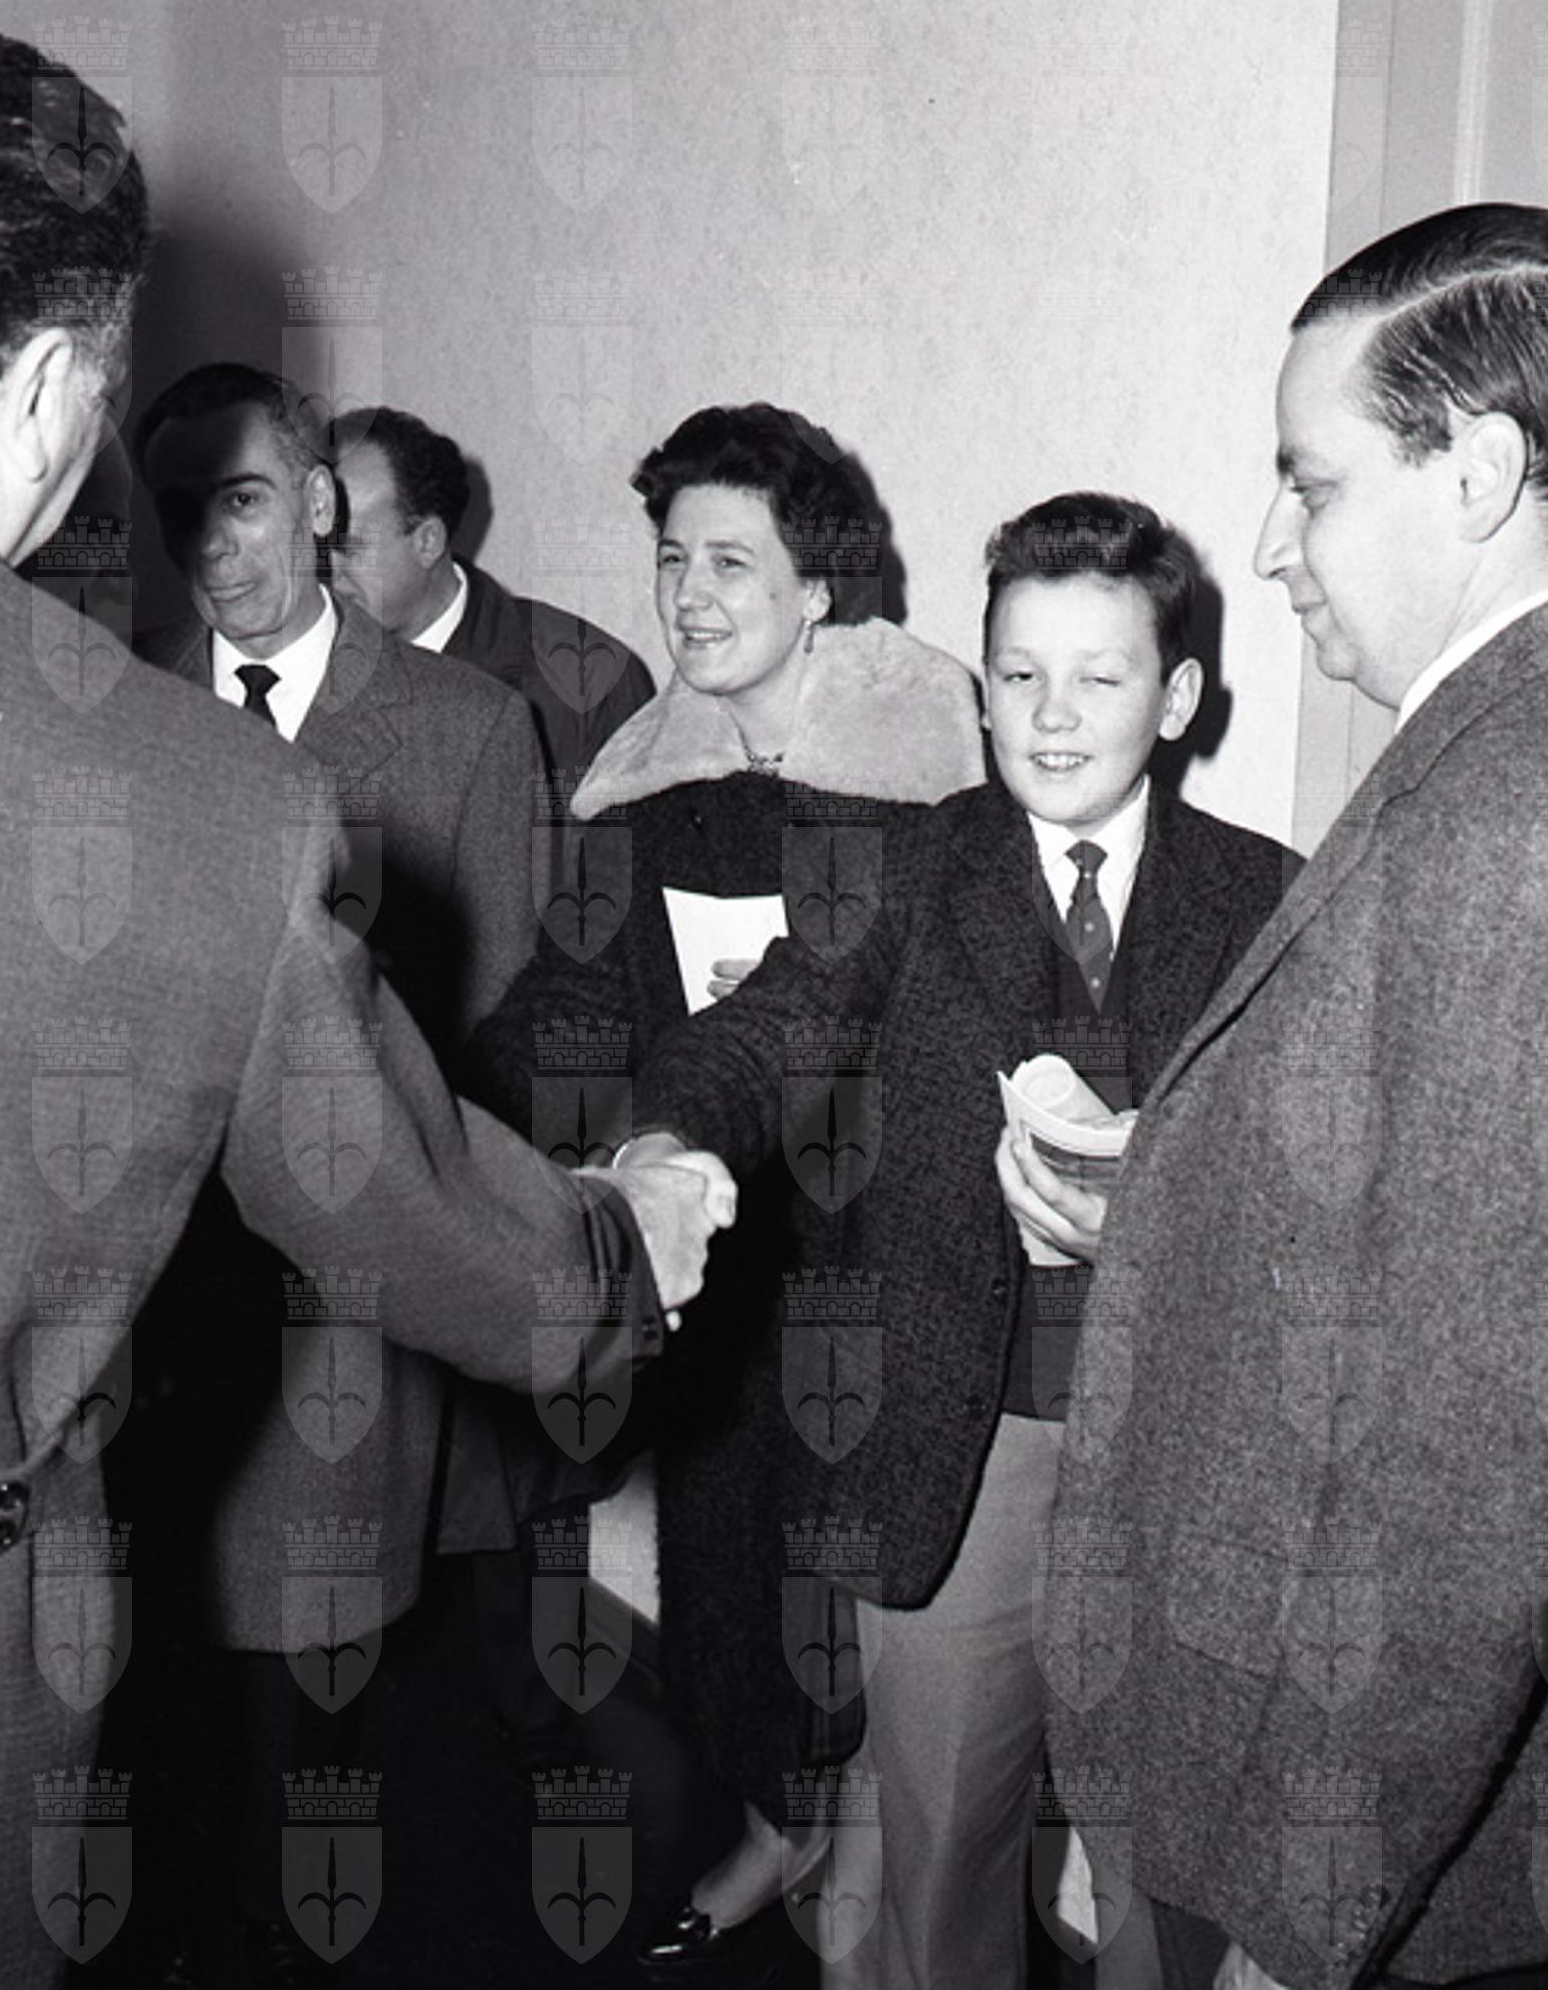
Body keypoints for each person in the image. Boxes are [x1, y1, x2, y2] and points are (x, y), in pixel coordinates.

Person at [0, 20, 729, 1987]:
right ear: (43, 390)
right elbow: (424, 1217)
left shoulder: (412, 729)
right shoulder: (176, 792)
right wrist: (629, 1239)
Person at [1027, 204, 1548, 1990]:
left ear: (1474, 473)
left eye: (1309, 484)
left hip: (1388, 1845)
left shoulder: (1536, 831)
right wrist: (1177, 1188)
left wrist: (1295, 1909)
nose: (1268, 545)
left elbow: (1474, 1472)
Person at [597, 486, 1299, 1988]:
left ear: (1178, 697)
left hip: (1181, 1458)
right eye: (1019, 673)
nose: (1052, 714)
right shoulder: (907, 874)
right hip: (956, 1460)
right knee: (938, 1864)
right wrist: (666, 1140)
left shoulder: (1269, 897)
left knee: (1166, 1878)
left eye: (1099, 676)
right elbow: (769, 1027)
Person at [462, 402, 985, 1975]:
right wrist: (434, 1109)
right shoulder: (647, 789)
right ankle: (775, 1823)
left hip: (895, 1259)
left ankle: (875, 1859)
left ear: (818, 586)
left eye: (731, 562)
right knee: (732, 1579)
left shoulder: (936, 786)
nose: (689, 594)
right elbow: (569, 1005)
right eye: (672, 558)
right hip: (720, 1256)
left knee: (883, 1590)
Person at [137, 366, 540, 1058]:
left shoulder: (473, 726)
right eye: (180, 512)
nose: (211, 544)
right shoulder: (119, 691)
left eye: (242, 501)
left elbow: (500, 1026)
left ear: (319, 505)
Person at [327, 403, 655, 790]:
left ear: (427, 542)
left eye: (346, 546)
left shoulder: (587, 682)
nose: (323, 570)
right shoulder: (288, 664)